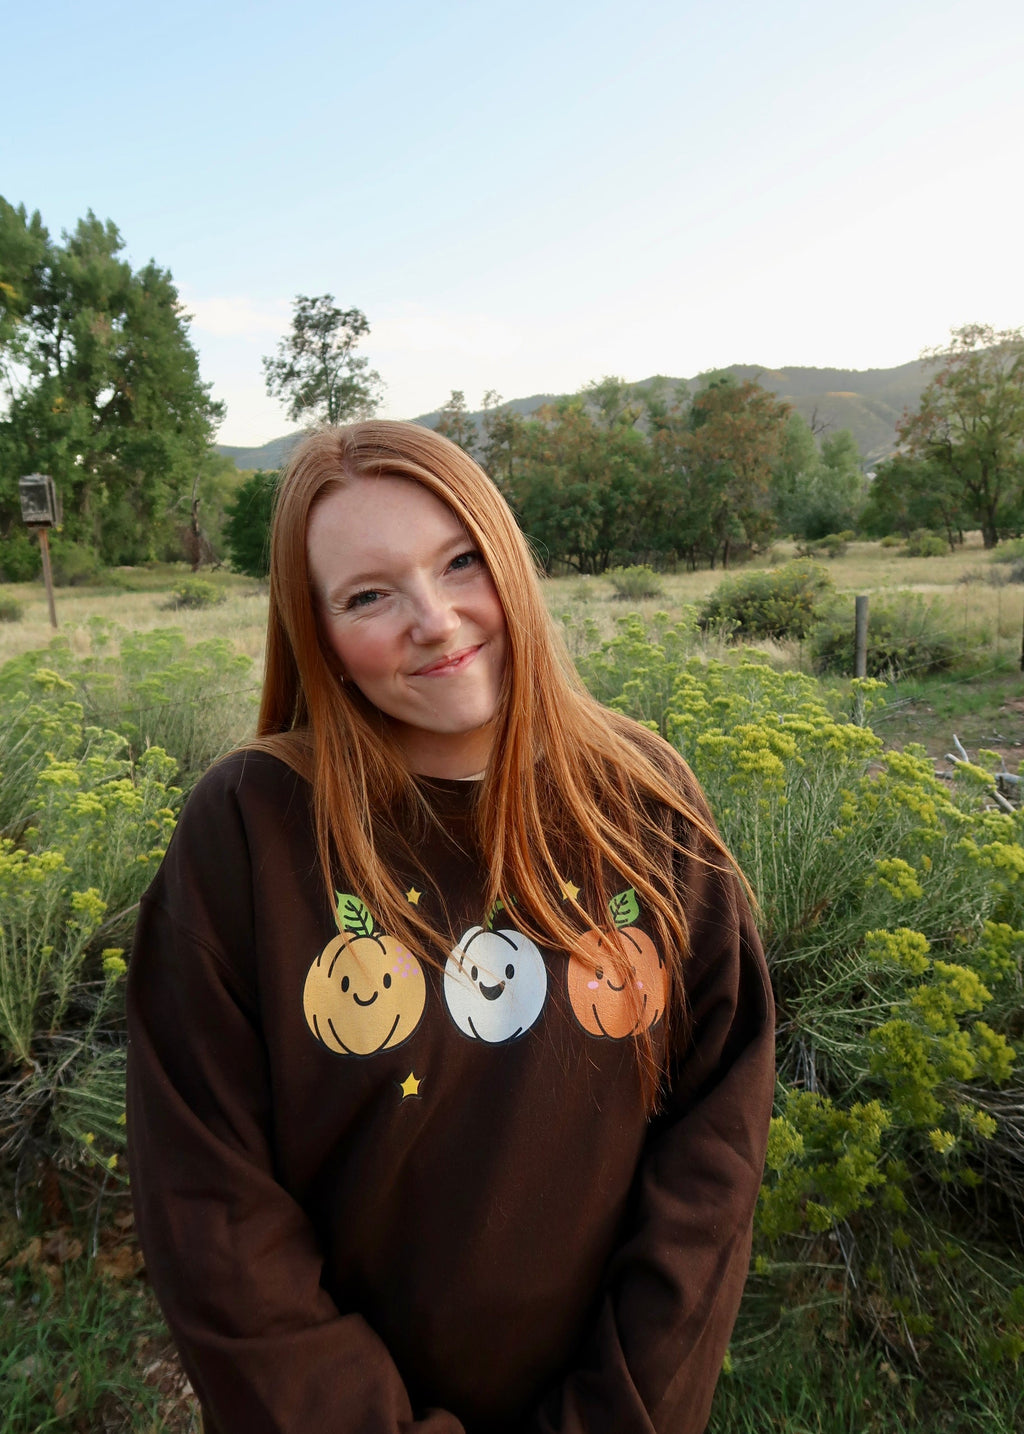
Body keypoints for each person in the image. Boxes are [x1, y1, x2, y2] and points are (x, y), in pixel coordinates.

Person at [127, 420, 774, 1434]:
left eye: (460, 560)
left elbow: (712, 1148)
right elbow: (209, 1204)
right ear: (321, 636)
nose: (435, 619)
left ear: (508, 556)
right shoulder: (250, 827)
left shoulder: (645, 798)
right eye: (369, 595)